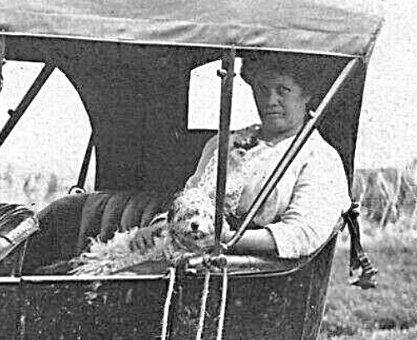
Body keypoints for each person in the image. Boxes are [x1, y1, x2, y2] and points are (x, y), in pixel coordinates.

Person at [70, 54, 350, 273]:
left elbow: (301, 234)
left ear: (307, 95)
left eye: (283, 90)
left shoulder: (318, 159)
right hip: (186, 255)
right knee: (93, 271)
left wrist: (225, 239)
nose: (270, 100)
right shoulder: (224, 143)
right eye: (262, 89)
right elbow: (190, 198)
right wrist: (159, 226)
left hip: (242, 270)